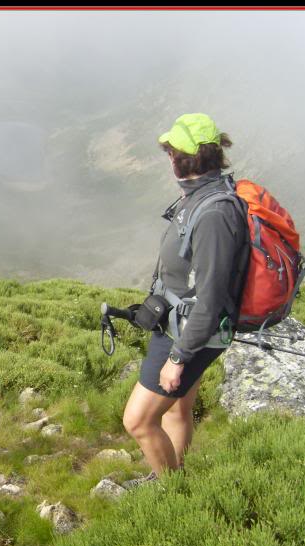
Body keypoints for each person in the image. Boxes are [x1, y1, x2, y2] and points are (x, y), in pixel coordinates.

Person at [122, 114, 248, 481]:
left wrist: (178, 358)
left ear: (182, 159)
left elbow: (210, 297)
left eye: (171, 152)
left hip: (189, 332)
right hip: (180, 320)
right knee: (177, 411)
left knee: (139, 421)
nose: (168, 158)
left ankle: (174, 494)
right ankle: (178, 473)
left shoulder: (214, 213)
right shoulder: (199, 195)